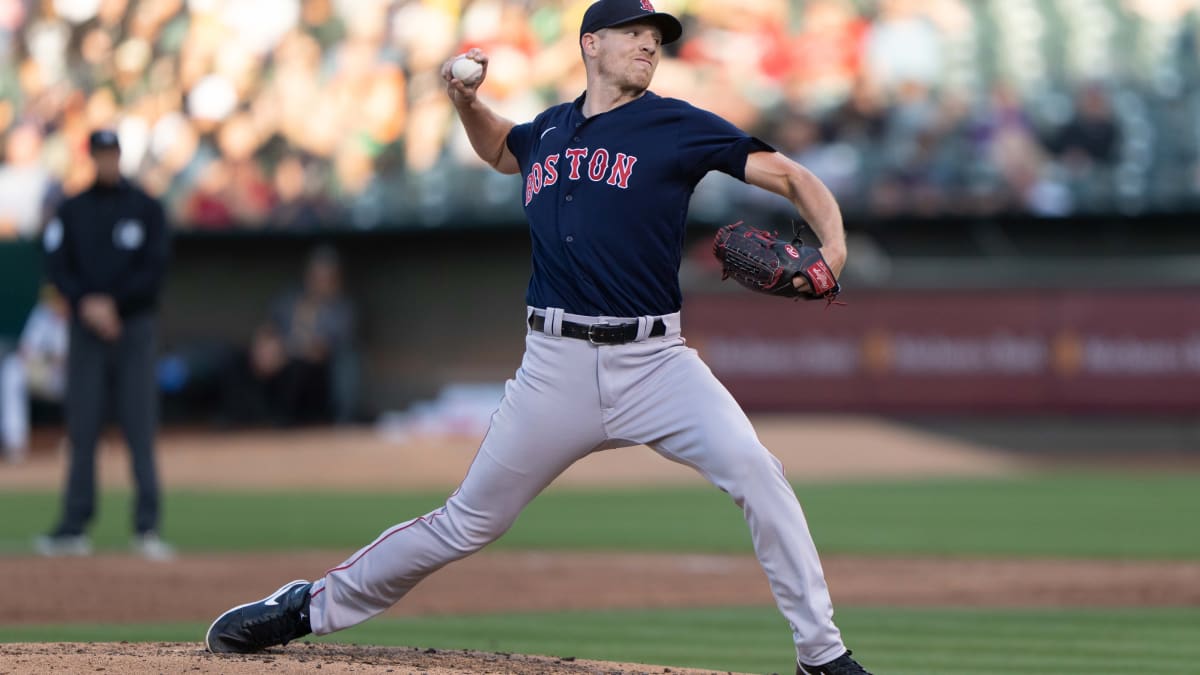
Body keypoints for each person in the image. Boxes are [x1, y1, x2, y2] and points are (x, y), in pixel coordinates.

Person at [205, 2, 868, 674]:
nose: (648, 45)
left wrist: (833, 250)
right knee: (467, 522)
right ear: (591, 45)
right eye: (633, 33)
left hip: (656, 363)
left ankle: (822, 654)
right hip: (556, 368)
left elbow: (791, 176)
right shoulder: (548, 131)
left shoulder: (676, 125)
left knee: (759, 473)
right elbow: (499, 147)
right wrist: (466, 104)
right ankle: (306, 606)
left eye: (655, 37)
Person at [36, 129, 175, 562]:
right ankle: (74, 527)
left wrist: (115, 303)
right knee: (83, 427)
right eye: (99, 155)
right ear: (91, 158)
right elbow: (58, 265)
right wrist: (88, 303)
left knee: (139, 425)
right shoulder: (72, 209)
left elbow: (155, 268)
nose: (106, 162)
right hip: (86, 330)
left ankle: (147, 527)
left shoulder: (146, 207)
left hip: (133, 329)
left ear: (121, 156)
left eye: (112, 154)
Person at [218, 245, 357, 427]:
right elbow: (269, 329)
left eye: (326, 277)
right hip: (279, 357)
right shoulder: (290, 300)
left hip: (313, 370)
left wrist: (286, 352)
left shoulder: (342, 310)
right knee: (238, 360)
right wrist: (264, 349)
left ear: (336, 280)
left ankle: (281, 422)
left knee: (297, 369)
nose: (319, 282)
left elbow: (323, 351)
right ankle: (239, 417)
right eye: (316, 276)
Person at [1, 285, 70, 463]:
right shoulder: (42, 314)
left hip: (72, 377)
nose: (56, 301)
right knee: (11, 370)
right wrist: (41, 361)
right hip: (47, 375)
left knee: (85, 379)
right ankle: (15, 444)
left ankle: (80, 440)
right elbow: (26, 350)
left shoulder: (80, 315)